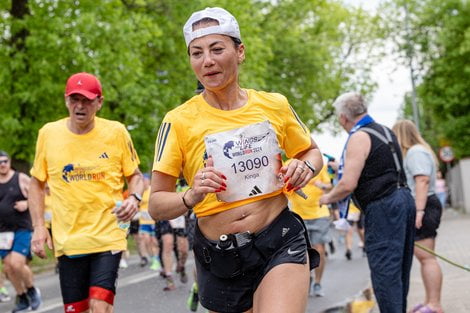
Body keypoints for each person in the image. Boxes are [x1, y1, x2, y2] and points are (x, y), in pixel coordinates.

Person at [149, 7, 323, 313]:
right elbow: (156, 205)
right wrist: (191, 194)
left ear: (239, 52)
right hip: (221, 255)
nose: (207, 61)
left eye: (217, 49)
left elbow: (312, 153)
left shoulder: (274, 105)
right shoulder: (177, 121)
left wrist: (304, 166)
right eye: (197, 53)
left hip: (279, 239)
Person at [28, 72, 144, 313]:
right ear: (65, 100)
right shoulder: (48, 134)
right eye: (74, 99)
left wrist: (134, 197)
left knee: (99, 306)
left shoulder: (116, 132)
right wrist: (39, 227)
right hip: (69, 239)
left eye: (87, 100)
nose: (80, 106)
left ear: (99, 102)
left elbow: (135, 176)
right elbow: (36, 184)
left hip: (108, 234)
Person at [319, 92, 415, 313]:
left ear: (343, 117)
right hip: (403, 199)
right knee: (400, 272)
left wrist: (327, 197)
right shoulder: (385, 131)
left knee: (385, 274)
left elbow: (347, 184)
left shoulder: (359, 136)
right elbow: (378, 166)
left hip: (384, 206)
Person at [392, 120, 444, 313]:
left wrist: (419, 211)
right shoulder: (420, 151)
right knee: (426, 258)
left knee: (427, 257)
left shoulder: (415, 152)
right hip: (424, 204)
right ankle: (430, 301)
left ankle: (435, 305)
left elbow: (422, 180)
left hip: (424, 205)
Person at [0, 150, 42, 312]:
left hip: (21, 228)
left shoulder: (21, 178)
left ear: (9, 162)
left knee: (17, 263)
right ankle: (22, 297)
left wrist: (26, 203)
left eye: (5, 161)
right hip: (3, 232)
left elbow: (38, 195)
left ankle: (32, 290)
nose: (2, 165)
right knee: (9, 268)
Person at [287, 164, 332, 298]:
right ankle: (307, 278)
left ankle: (317, 283)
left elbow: (329, 186)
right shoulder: (289, 165)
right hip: (298, 215)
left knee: (319, 250)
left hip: (319, 213)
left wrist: (321, 185)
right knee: (302, 253)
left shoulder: (319, 166)